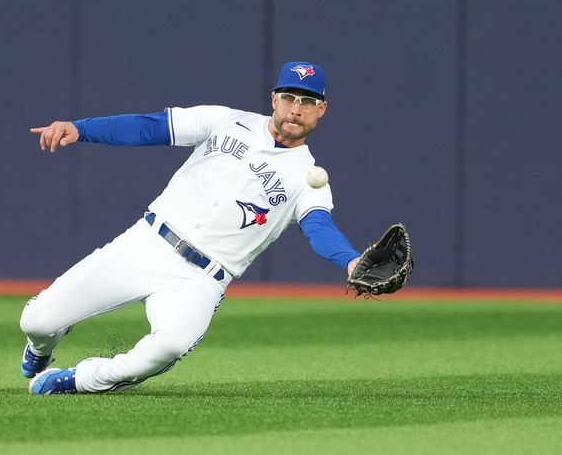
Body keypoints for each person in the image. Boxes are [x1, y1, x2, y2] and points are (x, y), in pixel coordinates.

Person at [21, 61, 361, 395]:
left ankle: (84, 378)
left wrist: (350, 261)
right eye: (289, 97)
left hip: (199, 280)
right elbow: (151, 127)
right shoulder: (226, 121)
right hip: (147, 243)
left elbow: (319, 228)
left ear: (322, 109)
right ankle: (41, 346)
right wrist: (81, 129)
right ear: (274, 99)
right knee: (36, 322)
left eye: (308, 102)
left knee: (169, 345)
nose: (296, 109)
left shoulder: (309, 179)